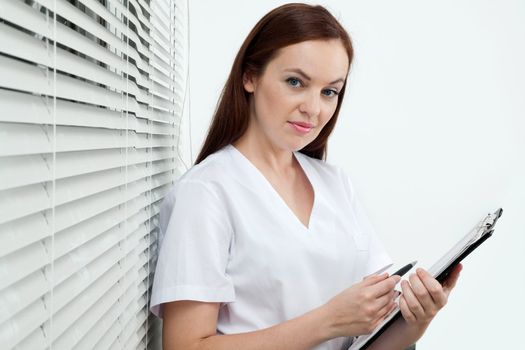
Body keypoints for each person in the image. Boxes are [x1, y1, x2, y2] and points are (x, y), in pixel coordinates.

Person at [150, 3, 462, 350]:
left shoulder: (335, 184)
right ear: (250, 76)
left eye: (330, 91)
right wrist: (327, 321)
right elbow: (185, 346)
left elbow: (366, 339)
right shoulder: (206, 192)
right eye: (295, 82)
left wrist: (416, 321)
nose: (314, 109)